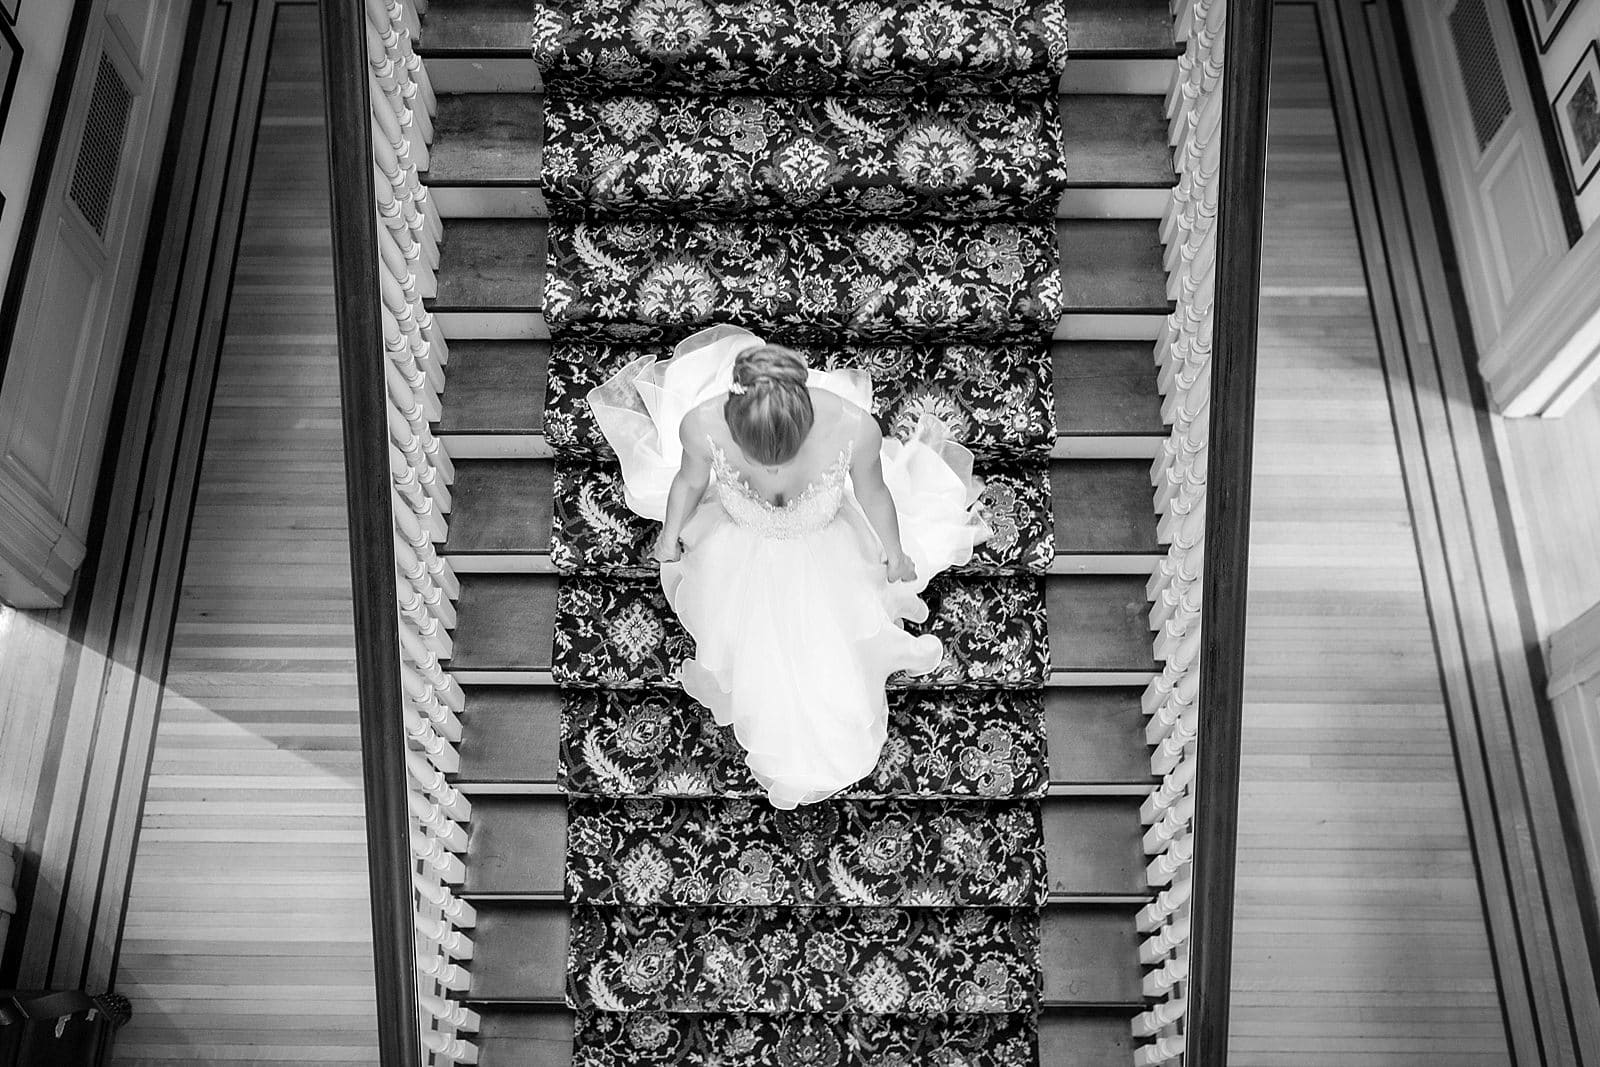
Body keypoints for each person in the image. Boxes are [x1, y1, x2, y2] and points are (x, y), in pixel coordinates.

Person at [586, 323, 990, 808]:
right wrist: (670, 536)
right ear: (733, 419)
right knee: (750, 639)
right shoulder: (701, 424)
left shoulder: (854, 427)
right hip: (740, 546)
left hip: (826, 546)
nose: (773, 471)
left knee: (827, 645)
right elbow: (690, 483)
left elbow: (874, 493)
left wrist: (896, 551)